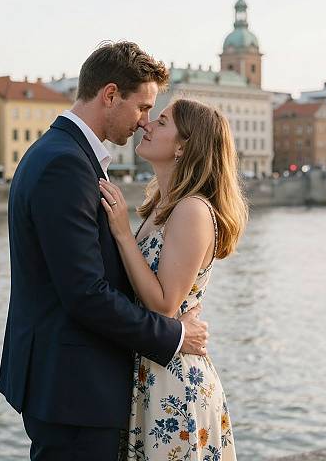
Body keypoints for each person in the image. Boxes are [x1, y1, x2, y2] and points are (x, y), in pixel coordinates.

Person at [0, 42, 209, 461]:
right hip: (74, 387)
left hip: (67, 382)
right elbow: (85, 293)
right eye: (143, 107)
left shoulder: (61, 153)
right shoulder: (67, 164)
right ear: (110, 95)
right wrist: (175, 334)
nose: (145, 122)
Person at [98, 98, 248, 460]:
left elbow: (164, 304)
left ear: (183, 146)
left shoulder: (191, 209)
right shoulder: (161, 208)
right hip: (156, 368)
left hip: (175, 382)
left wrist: (120, 232)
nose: (147, 125)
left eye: (161, 122)